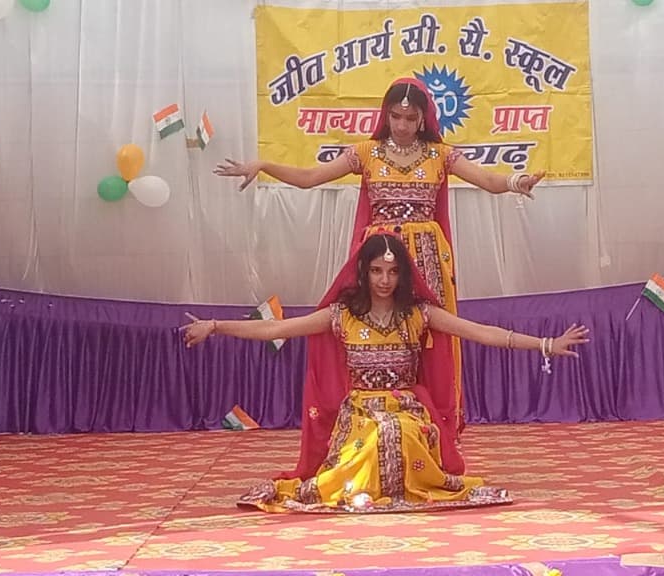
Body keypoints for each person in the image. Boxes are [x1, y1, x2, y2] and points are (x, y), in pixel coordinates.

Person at [215, 77, 545, 452]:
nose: (402, 125)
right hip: (377, 263)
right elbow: (310, 178)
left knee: (429, 342)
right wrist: (264, 164)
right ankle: (367, 431)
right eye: (396, 116)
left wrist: (517, 181)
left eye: (410, 117)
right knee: (371, 335)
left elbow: (487, 179)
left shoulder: (441, 156)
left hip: (426, 262)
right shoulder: (366, 153)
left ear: (423, 119)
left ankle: (432, 436)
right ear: (386, 116)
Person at [181, 233, 589, 514]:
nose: (384, 280)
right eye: (376, 271)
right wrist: (216, 326)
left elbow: (482, 333)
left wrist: (546, 344)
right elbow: (275, 329)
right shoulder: (340, 316)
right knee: (377, 432)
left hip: (409, 410)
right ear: (363, 273)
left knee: (398, 429)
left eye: (392, 272)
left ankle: (399, 488)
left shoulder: (419, 314)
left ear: (403, 275)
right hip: (358, 411)